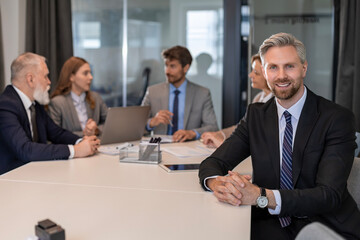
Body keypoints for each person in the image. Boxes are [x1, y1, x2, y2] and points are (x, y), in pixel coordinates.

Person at [198, 33, 360, 240]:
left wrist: (260, 196)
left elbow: (328, 195)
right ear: (265, 72)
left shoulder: (336, 118)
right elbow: (214, 162)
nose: (281, 75)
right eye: (273, 67)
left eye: (289, 66)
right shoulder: (256, 115)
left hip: (324, 225)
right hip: (271, 223)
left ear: (304, 68)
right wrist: (218, 184)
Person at [0, 53, 100, 175]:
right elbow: (26, 150)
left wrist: (82, 141)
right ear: (30, 79)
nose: (49, 82)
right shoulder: (5, 106)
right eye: (46, 76)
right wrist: (75, 150)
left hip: (34, 174)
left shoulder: (35, 104)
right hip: (10, 181)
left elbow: (56, 133)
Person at [141, 45, 218, 142]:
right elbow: (136, 126)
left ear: (186, 68)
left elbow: (213, 127)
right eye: (166, 65)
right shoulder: (152, 91)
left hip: (189, 148)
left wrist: (192, 133)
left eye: (172, 66)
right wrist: (151, 122)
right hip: (160, 147)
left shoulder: (202, 93)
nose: (167, 71)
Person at [201, 54, 273, 148]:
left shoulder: (276, 104)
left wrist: (222, 143)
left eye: (256, 72)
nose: (250, 75)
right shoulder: (258, 98)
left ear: (269, 76)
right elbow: (245, 127)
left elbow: (259, 140)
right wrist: (220, 134)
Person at [48, 57, 108, 137]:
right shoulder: (57, 103)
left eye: (90, 73)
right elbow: (55, 135)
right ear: (71, 77)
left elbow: (109, 123)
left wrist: (96, 129)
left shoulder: (96, 97)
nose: (91, 77)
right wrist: (84, 134)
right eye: (85, 73)